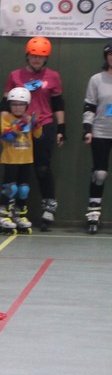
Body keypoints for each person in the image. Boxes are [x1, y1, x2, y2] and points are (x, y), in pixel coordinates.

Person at [4, 36, 65, 230]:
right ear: (27, 56)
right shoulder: (15, 76)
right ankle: (14, 209)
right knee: (18, 169)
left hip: (43, 124)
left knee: (42, 168)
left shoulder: (53, 76)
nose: (37, 59)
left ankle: (49, 204)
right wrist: (2, 129)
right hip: (19, 126)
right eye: (33, 56)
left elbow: (58, 104)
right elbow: (4, 104)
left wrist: (61, 128)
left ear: (46, 58)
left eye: (41, 56)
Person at [0, 87, 39, 234]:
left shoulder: (28, 118)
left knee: (23, 189)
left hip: (26, 158)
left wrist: (36, 124)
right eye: (14, 104)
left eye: (21, 104)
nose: (17, 107)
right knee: (10, 188)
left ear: (27, 105)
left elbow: (38, 135)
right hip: (11, 159)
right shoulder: (6, 118)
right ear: (9, 105)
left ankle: (19, 215)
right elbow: (7, 137)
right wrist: (20, 125)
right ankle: (2, 215)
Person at [82, 42, 112, 234]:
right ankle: (94, 212)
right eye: (111, 54)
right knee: (99, 174)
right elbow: (89, 106)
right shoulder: (96, 79)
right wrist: (87, 129)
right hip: (101, 131)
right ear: (106, 57)